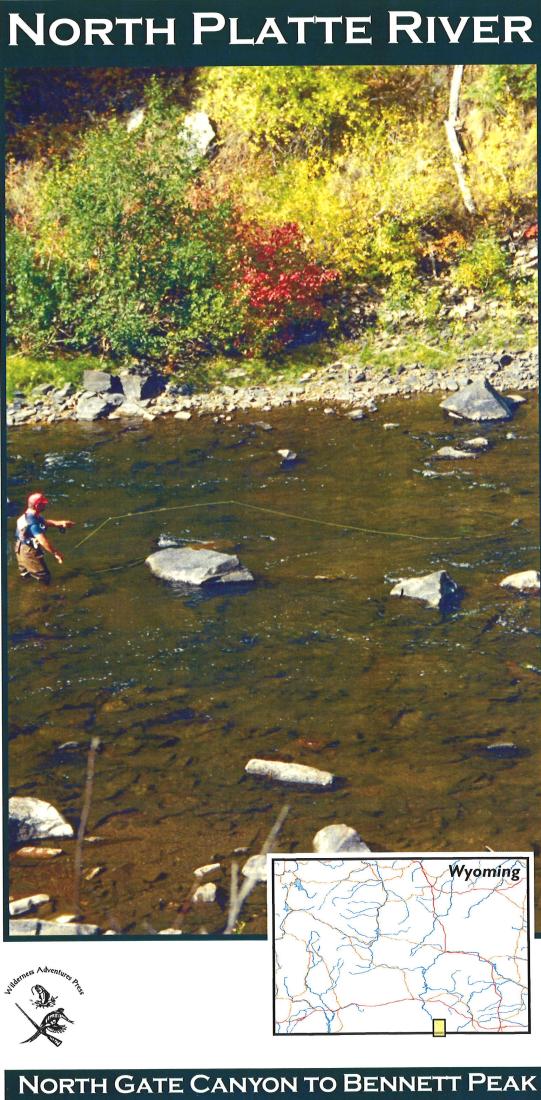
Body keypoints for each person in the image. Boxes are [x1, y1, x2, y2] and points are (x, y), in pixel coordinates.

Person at [15, 492, 75, 584]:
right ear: (37, 505)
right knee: (44, 577)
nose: (45, 505)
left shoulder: (30, 514)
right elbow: (42, 541)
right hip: (28, 551)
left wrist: (58, 523)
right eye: (43, 504)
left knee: (26, 576)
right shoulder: (32, 522)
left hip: (20, 548)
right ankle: (45, 596)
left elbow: (44, 522)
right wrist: (56, 553)